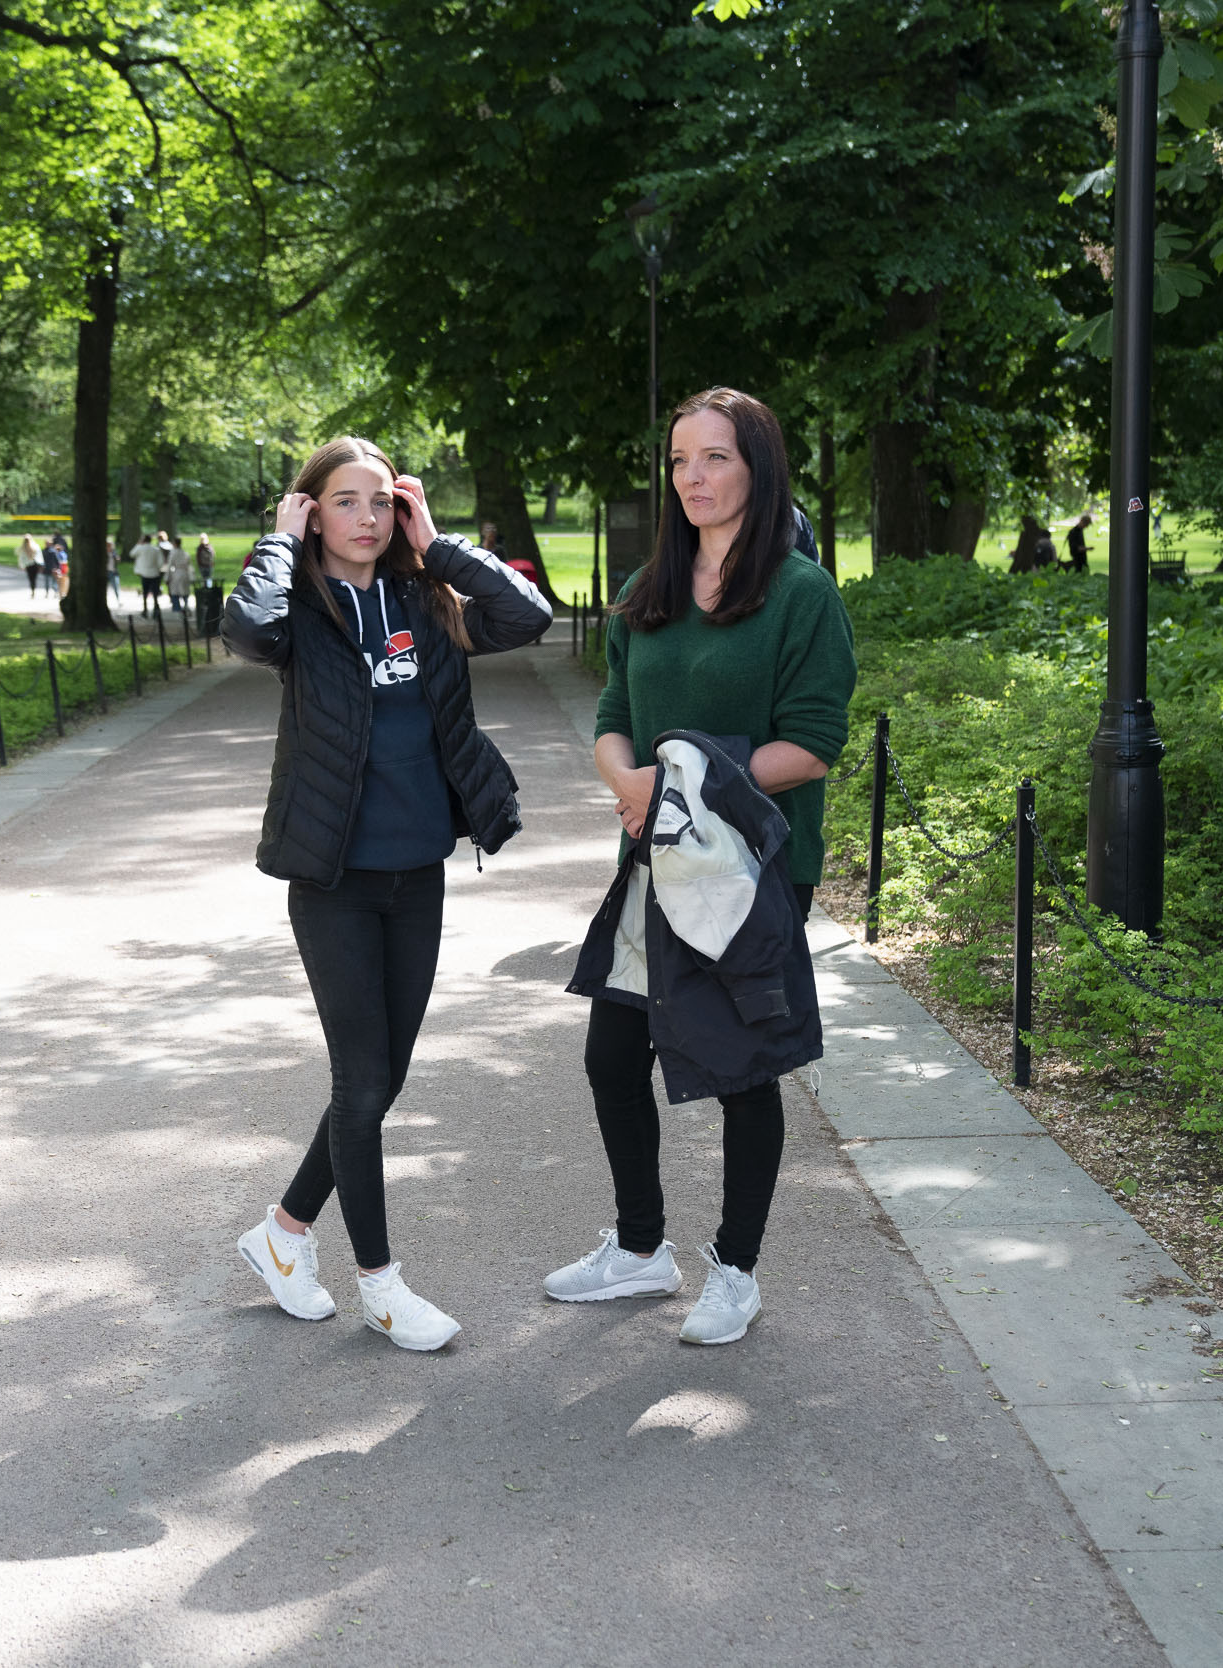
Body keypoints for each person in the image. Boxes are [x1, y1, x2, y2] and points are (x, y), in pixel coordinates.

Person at [222, 436, 551, 1350]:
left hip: (419, 874)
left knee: (382, 1080)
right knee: (363, 1083)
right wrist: (278, 546)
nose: (366, 518)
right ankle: (382, 1286)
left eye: (381, 501)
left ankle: (282, 1234)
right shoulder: (299, 609)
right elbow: (246, 634)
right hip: (333, 880)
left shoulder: (424, 599)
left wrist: (437, 544)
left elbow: (526, 616)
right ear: (311, 511)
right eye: (344, 501)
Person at [550, 386, 855, 1347]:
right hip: (653, 863)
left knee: (743, 1071)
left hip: (749, 873)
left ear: (757, 467)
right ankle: (642, 1249)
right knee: (611, 1057)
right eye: (681, 460)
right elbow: (613, 717)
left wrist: (686, 783)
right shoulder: (651, 588)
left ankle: (737, 1270)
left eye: (715, 457)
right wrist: (630, 782)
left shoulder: (800, 594)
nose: (693, 476)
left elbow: (813, 743)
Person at [130, 529, 162, 616]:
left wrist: (138, 544)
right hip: (154, 573)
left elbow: (131, 554)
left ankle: (145, 610)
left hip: (144, 574)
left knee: (145, 592)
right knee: (155, 592)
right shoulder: (156, 550)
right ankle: (156, 609)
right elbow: (161, 562)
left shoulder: (140, 549)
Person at [164, 528, 192, 615]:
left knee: (175, 592)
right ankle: (186, 605)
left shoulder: (173, 553)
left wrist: (167, 577)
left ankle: (177, 609)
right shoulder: (185, 553)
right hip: (184, 573)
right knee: (184, 590)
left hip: (176, 573)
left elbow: (169, 566)